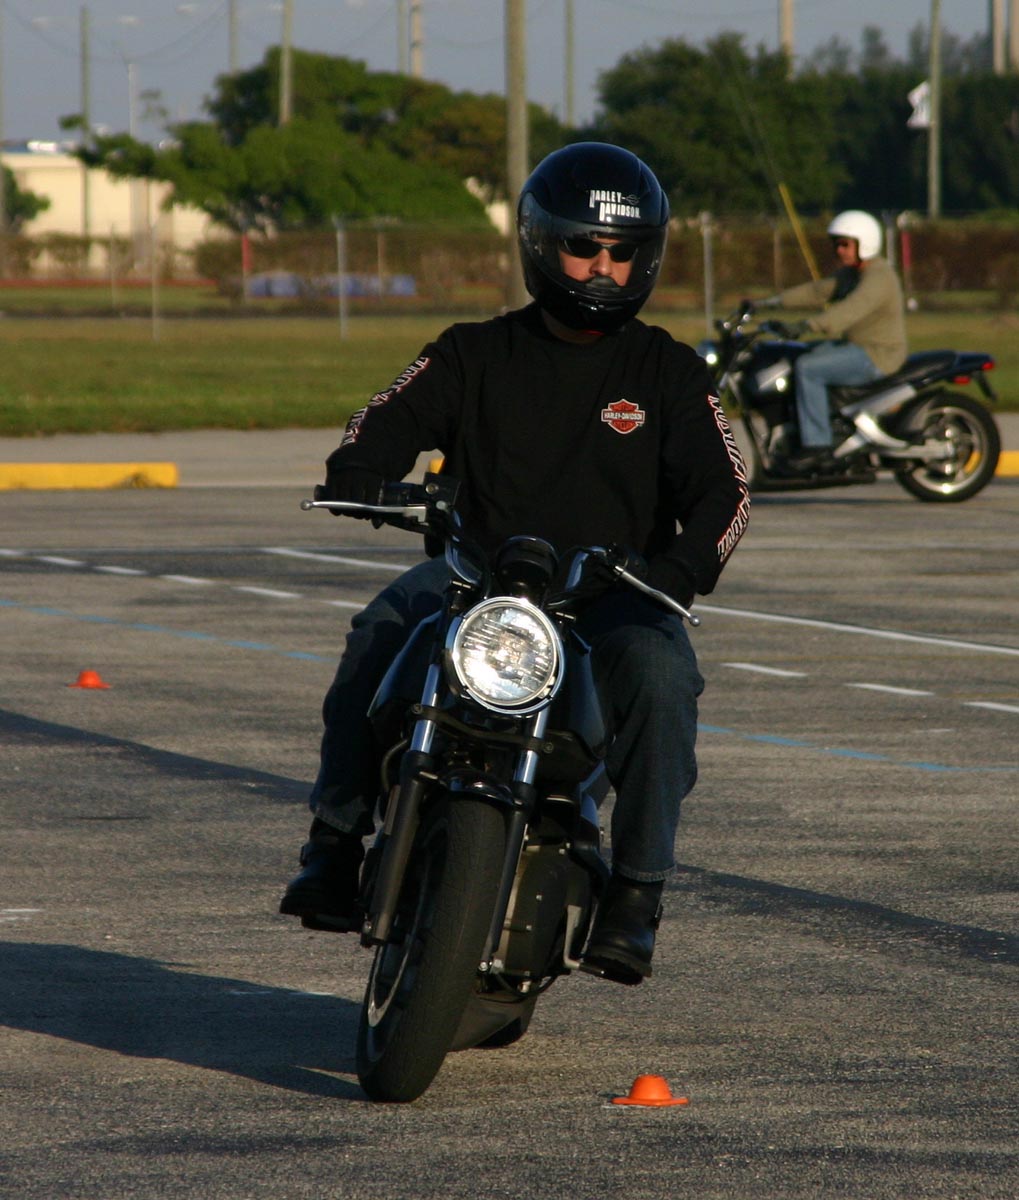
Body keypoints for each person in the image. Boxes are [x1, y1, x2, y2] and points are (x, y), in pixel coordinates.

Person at [279, 142, 751, 984]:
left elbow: (726, 490)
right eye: (583, 246)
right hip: (475, 577)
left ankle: (636, 894)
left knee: (662, 678)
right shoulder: (472, 351)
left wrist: (679, 570)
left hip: (610, 592)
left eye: (622, 251)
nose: (602, 267)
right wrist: (358, 468)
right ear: (539, 242)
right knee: (379, 628)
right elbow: (385, 417)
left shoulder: (668, 371)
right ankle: (335, 842)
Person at [763, 209, 907, 477]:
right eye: (836, 245)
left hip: (877, 355)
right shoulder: (852, 274)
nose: (839, 250)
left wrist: (806, 326)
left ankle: (818, 446)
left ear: (865, 243)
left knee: (808, 367)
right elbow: (818, 291)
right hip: (856, 347)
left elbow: (849, 311)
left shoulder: (878, 277)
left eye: (845, 244)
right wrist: (768, 303)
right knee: (797, 355)